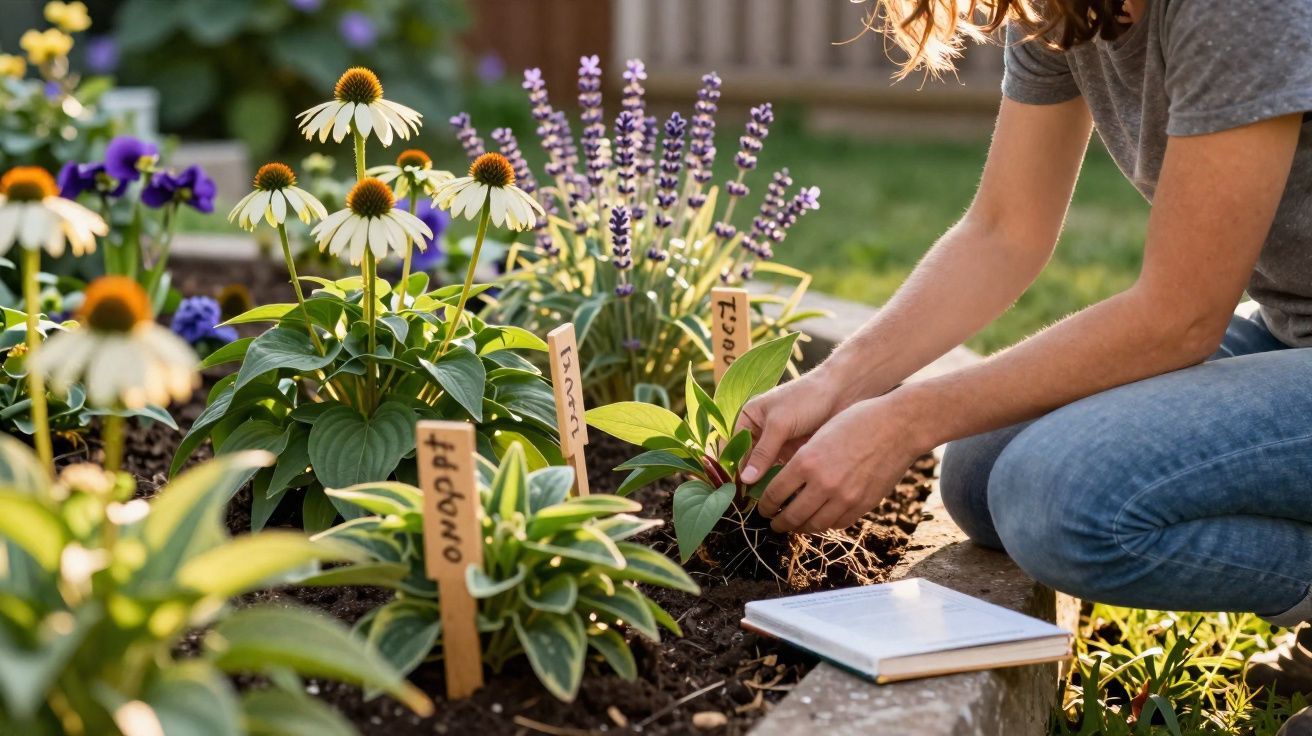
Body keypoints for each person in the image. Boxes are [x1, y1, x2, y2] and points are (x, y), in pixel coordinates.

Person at [736, 0, 1312, 729]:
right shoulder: (1062, 12)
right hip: (1295, 335)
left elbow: (1179, 318)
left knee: (1060, 500)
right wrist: (837, 384)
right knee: (979, 474)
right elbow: (1003, 230)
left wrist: (905, 418)